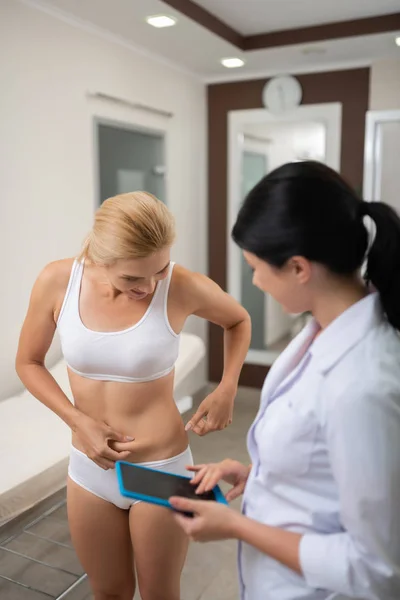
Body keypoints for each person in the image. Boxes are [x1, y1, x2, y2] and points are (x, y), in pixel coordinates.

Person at [170, 161, 400, 600]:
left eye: (257, 268)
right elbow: (329, 465)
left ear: (298, 268)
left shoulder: (364, 386)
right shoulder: (318, 334)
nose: (254, 281)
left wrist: (237, 526)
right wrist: (257, 474)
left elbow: (378, 570)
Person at [15, 191, 251, 600]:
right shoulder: (58, 281)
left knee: (159, 594)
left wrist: (227, 386)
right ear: (101, 258)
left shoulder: (180, 285)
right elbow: (29, 362)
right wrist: (77, 420)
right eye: (131, 278)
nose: (148, 286)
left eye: (157, 270)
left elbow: (238, 320)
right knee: (109, 592)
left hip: (162, 468)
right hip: (91, 471)